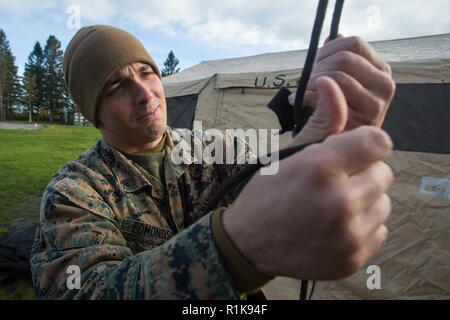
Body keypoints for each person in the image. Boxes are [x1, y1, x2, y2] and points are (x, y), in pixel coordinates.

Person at [30, 25, 396, 299]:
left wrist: (332, 140)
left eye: (147, 72)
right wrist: (234, 247)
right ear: (96, 113)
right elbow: (86, 292)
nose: (144, 94)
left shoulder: (217, 148)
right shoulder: (74, 193)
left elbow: (282, 187)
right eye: (116, 86)